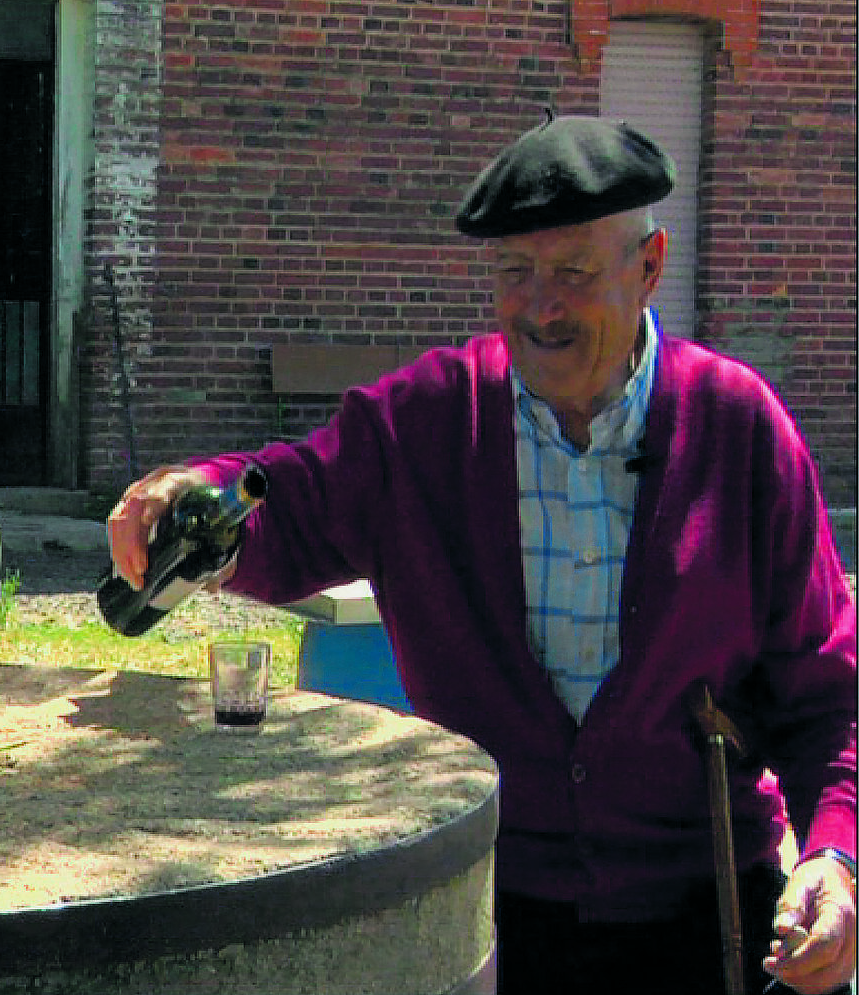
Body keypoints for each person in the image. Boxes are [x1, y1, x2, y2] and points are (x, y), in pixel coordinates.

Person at [106, 116, 857, 994]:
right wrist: (195, 489)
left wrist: (836, 857)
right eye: (514, 273)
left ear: (649, 266)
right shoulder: (429, 421)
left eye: (573, 273)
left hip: (707, 920)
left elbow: (828, 698)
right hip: (483, 914)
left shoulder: (738, 428)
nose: (540, 306)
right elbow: (291, 498)